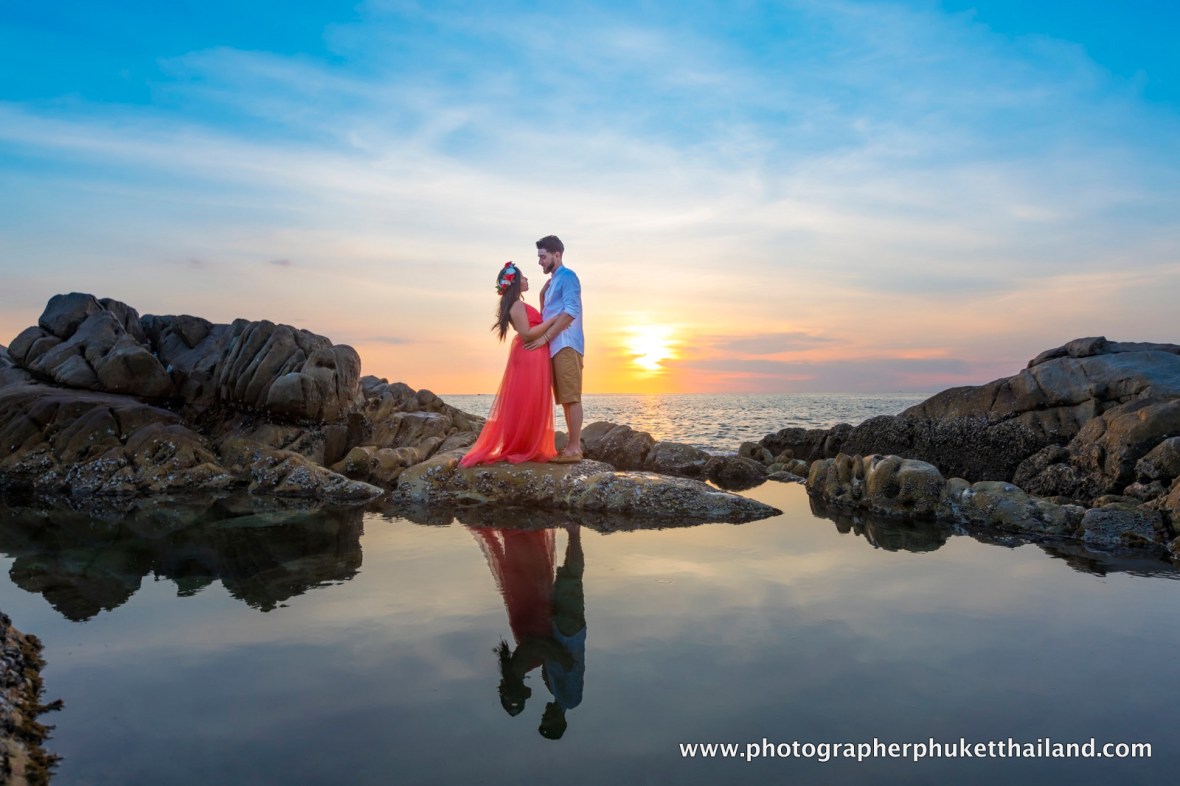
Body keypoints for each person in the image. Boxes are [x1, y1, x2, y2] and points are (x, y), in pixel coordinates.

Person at [460, 262, 562, 467]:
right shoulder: (516, 305)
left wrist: (542, 297)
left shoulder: (518, 304)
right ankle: (524, 447)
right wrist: (553, 321)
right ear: (515, 283)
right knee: (528, 398)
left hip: (534, 353)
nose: (526, 280)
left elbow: (535, 323)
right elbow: (526, 334)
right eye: (523, 278)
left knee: (531, 400)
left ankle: (529, 444)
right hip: (530, 353)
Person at [525, 235, 584, 463]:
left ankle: (573, 449)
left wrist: (547, 336)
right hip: (556, 345)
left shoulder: (568, 277)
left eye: (543, 256)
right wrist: (541, 296)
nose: (540, 261)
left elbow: (571, 311)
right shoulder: (552, 283)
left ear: (556, 255)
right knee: (565, 398)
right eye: (539, 257)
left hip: (566, 343)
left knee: (571, 396)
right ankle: (572, 448)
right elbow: (548, 315)